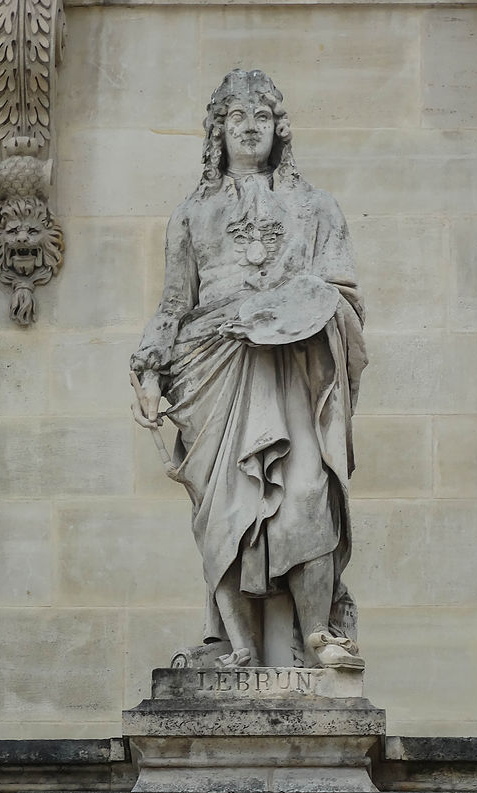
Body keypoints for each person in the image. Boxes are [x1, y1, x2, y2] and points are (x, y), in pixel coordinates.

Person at [130, 69, 367, 670]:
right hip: (213, 366)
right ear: (219, 132)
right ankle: (236, 647)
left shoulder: (315, 207)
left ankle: (317, 635)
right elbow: (173, 305)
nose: (251, 128)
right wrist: (149, 367)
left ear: (279, 129)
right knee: (226, 508)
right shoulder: (191, 214)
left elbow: (343, 296)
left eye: (262, 116)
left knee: (307, 489)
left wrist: (280, 312)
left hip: (292, 363)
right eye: (238, 118)